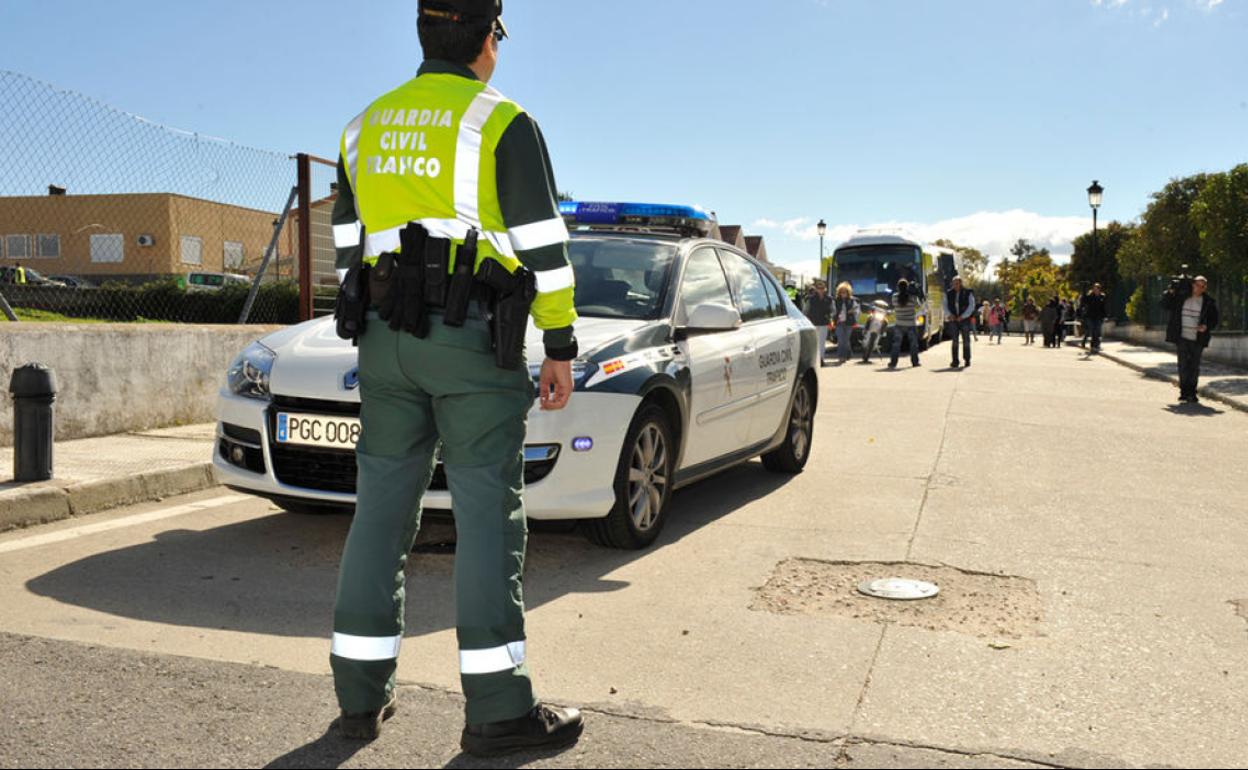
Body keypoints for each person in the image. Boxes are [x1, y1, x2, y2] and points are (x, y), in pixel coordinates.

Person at [327, 0, 584, 755]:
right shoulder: (501, 121)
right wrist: (561, 343)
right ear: (487, 39)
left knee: (379, 512)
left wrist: (367, 312)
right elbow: (544, 244)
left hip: (384, 336)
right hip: (471, 340)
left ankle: (358, 698)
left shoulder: (363, 125)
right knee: (485, 517)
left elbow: (347, 239)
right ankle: (499, 708)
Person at [1162, 275, 1220, 403]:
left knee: (1194, 366)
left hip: (1198, 338)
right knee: (1183, 365)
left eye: (1203, 286)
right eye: (1198, 285)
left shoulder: (1208, 302)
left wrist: (1206, 326)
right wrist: (1170, 292)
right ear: (1193, 284)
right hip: (1182, 336)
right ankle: (1184, 392)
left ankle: (1192, 393)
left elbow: (1214, 319)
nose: (1200, 288)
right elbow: (1165, 305)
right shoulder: (1181, 297)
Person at [889, 279, 924, 368]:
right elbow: (919, 306)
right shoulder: (912, 298)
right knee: (913, 344)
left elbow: (893, 305)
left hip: (899, 323)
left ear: (898, 287)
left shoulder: (894, 297)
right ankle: (915, 362)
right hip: (911, 324)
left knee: (896, 344)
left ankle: (893, 362)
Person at [944, 275, 976, 368]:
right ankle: (955, 361)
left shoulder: (968, 293)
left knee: (966, 340)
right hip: (953, 320)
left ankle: (967, 359)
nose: (955, 285)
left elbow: (971, 306)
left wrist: (963, 316)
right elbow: (944, 306)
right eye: (954, 284)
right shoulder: (948, 293)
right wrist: (949, 315)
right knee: (955, 340)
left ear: (961, 283)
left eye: (957, 283)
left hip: (964, 320)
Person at [803, 280, 833, 366]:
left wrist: (831, 319)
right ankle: (813, 360)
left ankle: (821, 359)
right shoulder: (810, 299)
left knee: (822, 342)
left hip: (824, 322)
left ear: (825, 289)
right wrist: (805, 320)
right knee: (814, 342)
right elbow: (805, 311)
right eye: (819, 288)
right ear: (816, 289)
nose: (821, 290)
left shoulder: (829, 299)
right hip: (813, 323)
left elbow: (832, 310)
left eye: (822, 288)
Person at [832, 281, 859, 364]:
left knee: (846, 340)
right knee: (841, 340)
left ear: (848, 292)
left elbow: (857, 310)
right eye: (841, 292)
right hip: (839, 322)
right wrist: (834, 317)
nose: (843, 294)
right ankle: (841, 357)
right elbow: (832, 310)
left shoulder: (852, 300)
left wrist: (853, 312)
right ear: (839, 292)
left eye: (845, 292)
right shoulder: (835, 300)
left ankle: (848, 354)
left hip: (849, 322)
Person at [1081, 283, 1108, 352]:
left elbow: (1104, 307)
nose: (1095, 290)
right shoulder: (1090, 296)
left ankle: (1096, 344)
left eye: (1097, 289)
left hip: (1099, 316)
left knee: (1097, 331)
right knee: (1093, 330)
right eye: (1094, 289)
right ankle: (1093, 345)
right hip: (1090, 316)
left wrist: (1105, 316)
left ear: (1099, 289)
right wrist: (1083, 290)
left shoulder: (1102, 296)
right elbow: (1084, 300)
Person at [861, 299, 888, 364]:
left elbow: (888, 312)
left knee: (886, 321)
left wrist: (890, 312)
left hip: (880, 320)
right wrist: (870, 309)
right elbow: (870, 309)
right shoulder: (873, 308)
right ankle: (865, 330)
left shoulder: (884, 311)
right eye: (879, 305)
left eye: (882, 306)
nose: (880, 306)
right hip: (874, 318)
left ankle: (882, 331)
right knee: (869, 318)